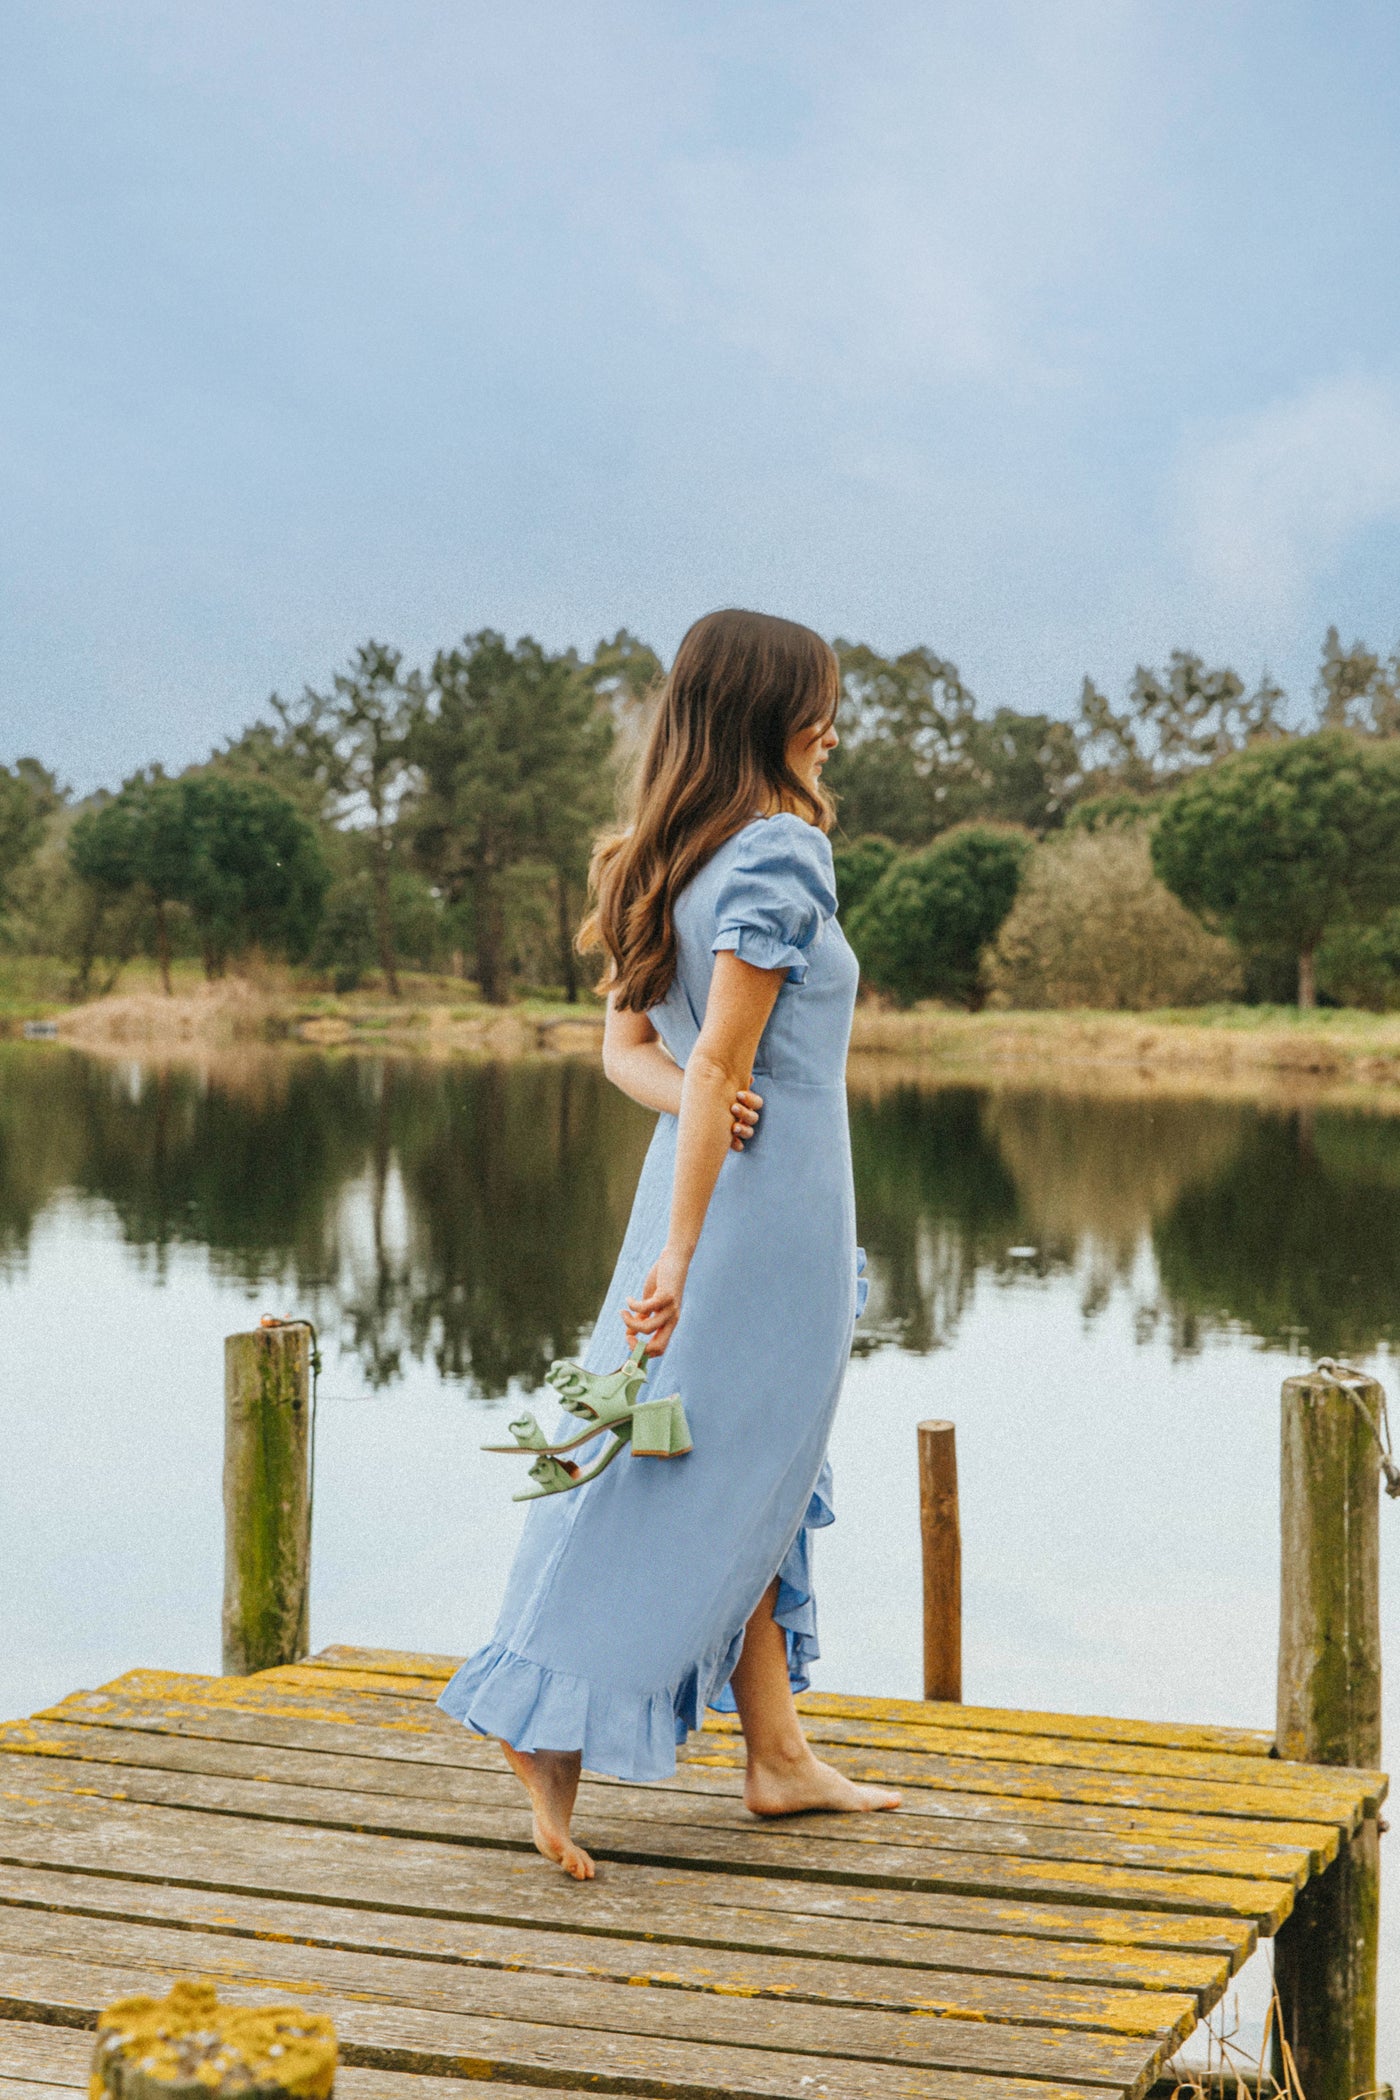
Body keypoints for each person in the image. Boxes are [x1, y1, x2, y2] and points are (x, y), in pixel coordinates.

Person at [438, 607, 900, 1877]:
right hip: (755, 1229)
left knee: (737, 1465)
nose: (832, 722)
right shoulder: (776, 857)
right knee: (688, 1466)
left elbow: (635, 1058)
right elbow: (702, 1065)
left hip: (707, 1202)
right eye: (819, 699)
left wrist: (703, 1124)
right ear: (770, 713)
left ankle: (776, 1753)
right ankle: (545, 1723)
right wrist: (688, 1250)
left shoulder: (662, 852)